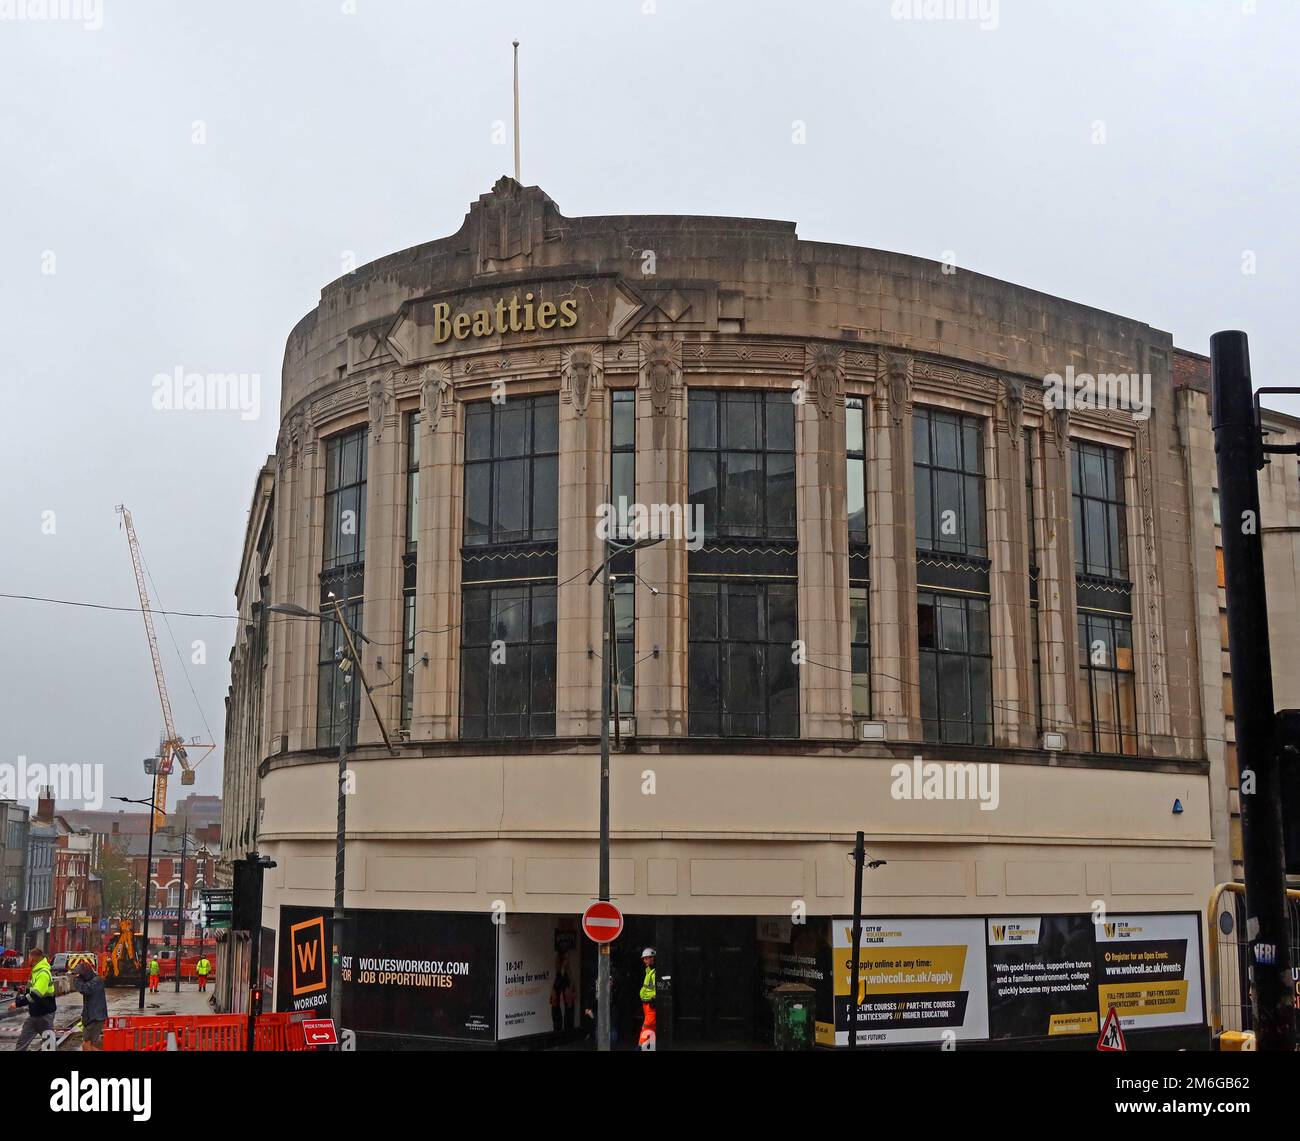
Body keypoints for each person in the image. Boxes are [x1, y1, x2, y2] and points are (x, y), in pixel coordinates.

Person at [11, 947, 57, 1051]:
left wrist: (17, 1003)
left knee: (49, 1047)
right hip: (35, 1014)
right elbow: (33, 990)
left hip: (44, 1015)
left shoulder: (43, 973)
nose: (27, 960)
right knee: (21, 1044)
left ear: (33, 958)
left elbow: (35, 995)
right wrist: (23, 991)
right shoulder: (36, 971)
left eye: (28, 957)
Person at [73, 961, 107, 1051]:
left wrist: (77, 980)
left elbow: (85, 989)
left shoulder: (97, 981)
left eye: (80, 975)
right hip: (91, 1017)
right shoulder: (94, 980)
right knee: (87, 1045)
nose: (79, 977)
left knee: (86, 1045)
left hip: (95, 1017)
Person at [638, 947, 657, 1045]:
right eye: (644, 958)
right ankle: (649, 1046)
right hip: (646, 1004)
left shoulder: (654, 973)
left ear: (652, 958)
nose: (644, 960)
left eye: (646, 958)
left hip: (651, 1004)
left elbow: (656, 989)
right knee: (651, 1028)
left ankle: (641, 1047)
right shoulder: (648, 971)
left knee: (647, 1026)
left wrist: (654, 999)